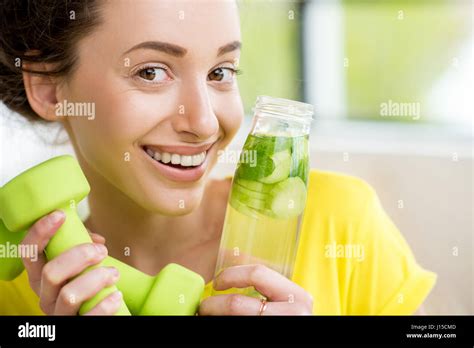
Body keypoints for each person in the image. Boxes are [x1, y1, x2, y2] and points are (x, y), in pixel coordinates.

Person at [0, 0, 436, 315]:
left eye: (220, 73)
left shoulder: (339, 221)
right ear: (49, 88)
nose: (206, 123)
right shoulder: (18, 297)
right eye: (151, 72)